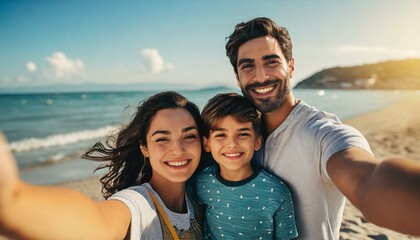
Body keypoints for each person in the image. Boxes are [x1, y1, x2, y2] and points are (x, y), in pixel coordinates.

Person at [225, 17, 420, 239]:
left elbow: (367, 180)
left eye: (271, 62)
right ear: (237, 76)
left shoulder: (321, 133)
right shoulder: (236, 136)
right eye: (248, 65)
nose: (261, 77)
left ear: (290, 66)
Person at [0, 91, 207, 240]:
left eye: (189, 136)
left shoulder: (198, 199)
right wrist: (14, 202)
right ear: (144, 148)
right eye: (162, 139)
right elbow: (95, 221)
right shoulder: (137, 204)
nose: (178, 149)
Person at [195, 93, 298, 239]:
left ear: (257, 141)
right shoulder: (201, 182)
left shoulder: (277, 192)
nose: (232, 144)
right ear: (207, 144)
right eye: (221, 135)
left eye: (243, 134)